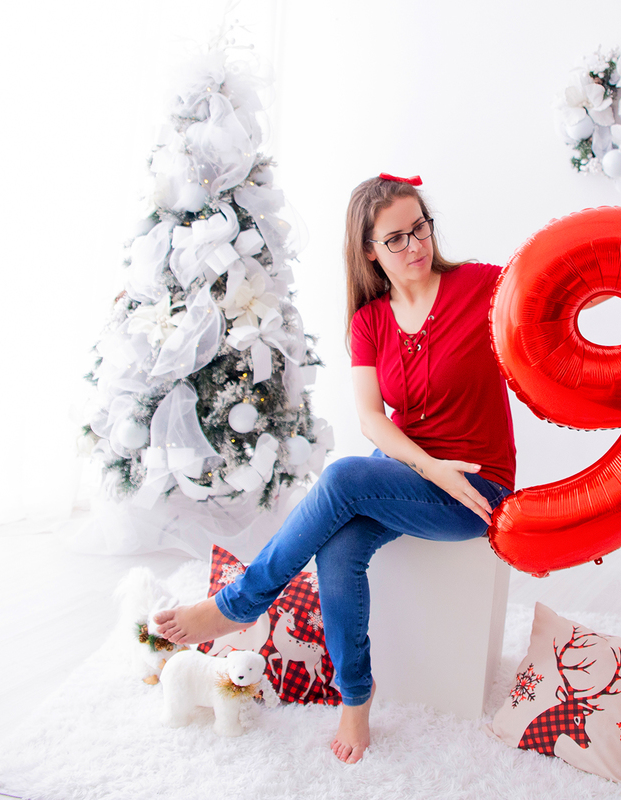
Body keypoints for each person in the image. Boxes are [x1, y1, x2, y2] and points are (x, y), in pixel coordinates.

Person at [154, 173, 517, 764]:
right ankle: (356, 696)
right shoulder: (370, 321)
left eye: (419, 228)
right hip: (413, 469)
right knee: (340, 550)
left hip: (476, 484)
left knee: (343, 478)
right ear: (369, 250)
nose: (414, 246)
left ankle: (238, 604)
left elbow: (559, 290)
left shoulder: (483, 285)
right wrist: (429, 467)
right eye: (395, 239)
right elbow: (373, 420)